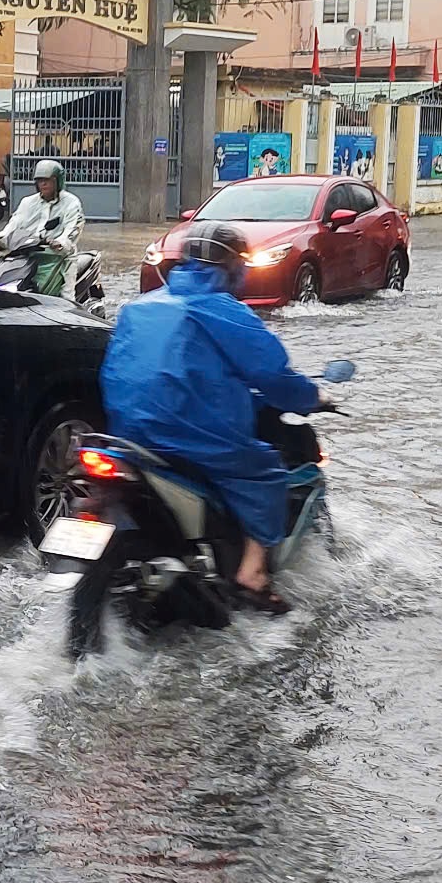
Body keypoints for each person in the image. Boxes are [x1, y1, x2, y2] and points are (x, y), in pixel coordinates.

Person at [100, 220, 326, 614]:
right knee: (267, 475)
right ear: (234, 266)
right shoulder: (224, 311)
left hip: (128, 434)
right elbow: (272, 375)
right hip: (191, 438)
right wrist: (311, 398)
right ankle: (253, 575)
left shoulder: (141, 306)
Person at [0, 158, 85, 297]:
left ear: (58, 181)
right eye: (40, 180)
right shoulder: (28, 202)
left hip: (59, 257)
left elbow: (72, 229)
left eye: (48, 180)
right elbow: (14, 223)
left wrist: (60, 242)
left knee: (67, 299)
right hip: (29, 255)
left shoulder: (71, 203)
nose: (43, 183)